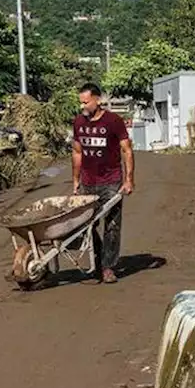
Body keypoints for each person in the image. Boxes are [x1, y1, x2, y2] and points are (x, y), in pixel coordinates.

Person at [72, 82, 134, 284]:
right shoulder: (79, 122)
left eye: (86, 102)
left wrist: (128, 179)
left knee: (112, 225)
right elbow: (77, 151)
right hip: (88, 182)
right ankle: (98, 260)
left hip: (111, 181)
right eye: (81, 102)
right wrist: (75, 180)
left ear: (97, 100)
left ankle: (108, 267)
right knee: (85, 225)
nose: (83, 107)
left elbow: (126, 150)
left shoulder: (113, 121)